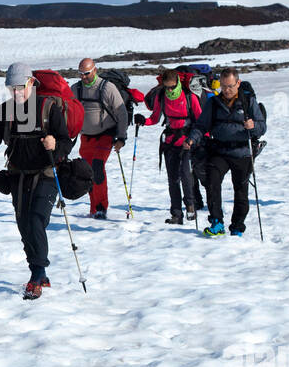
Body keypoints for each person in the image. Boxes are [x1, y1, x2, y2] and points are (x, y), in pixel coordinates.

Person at [0, 63, 74, 299]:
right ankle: (39, 272)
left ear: (32, 83)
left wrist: (55, 145)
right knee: (25, 225)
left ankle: (37, 274)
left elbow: (66, 141)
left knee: (35, 220)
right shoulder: (4, 112)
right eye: (11, 88)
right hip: (17, 176)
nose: (16, 92)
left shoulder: (49, 108)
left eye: (20, 87)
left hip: (46, 174)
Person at [190, 67, 266, 237]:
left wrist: (253, 127)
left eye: (230, 86)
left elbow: (262, 127)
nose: (227, 90)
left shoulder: (248, 101)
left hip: (242, 152)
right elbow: (202, 126)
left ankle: (237, 226)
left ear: (238, 83)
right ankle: (217, 222)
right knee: (212, 181)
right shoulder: (214, 103)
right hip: (220, 150)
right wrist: (192, 139)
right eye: (223, 87)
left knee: (240, 190)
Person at [134, 69, 203, 223]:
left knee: (186, 175)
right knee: (173, 179)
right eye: (167, 87)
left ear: (178, 82)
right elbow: (155, 118)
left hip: (187, 141)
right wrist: (143, 121)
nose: (170, 90)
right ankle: (176, 214)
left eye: (172, 87)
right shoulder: (162, 97)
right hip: (170, 141)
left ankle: (191, 206)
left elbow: (200, 120)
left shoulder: (189, 96)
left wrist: (200, 138)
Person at [71, 58, 128, 220]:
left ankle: (102, 208)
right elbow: (66, 108)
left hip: (105, 135)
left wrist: (121, 137)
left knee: (97, 167)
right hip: (86, 137)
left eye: (86, 73)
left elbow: (121, 113)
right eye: (80, 74)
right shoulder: (76, 89)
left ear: (94, 70)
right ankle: (93, 207)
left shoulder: (107, 88)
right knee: (88, 172)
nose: (83, 77)